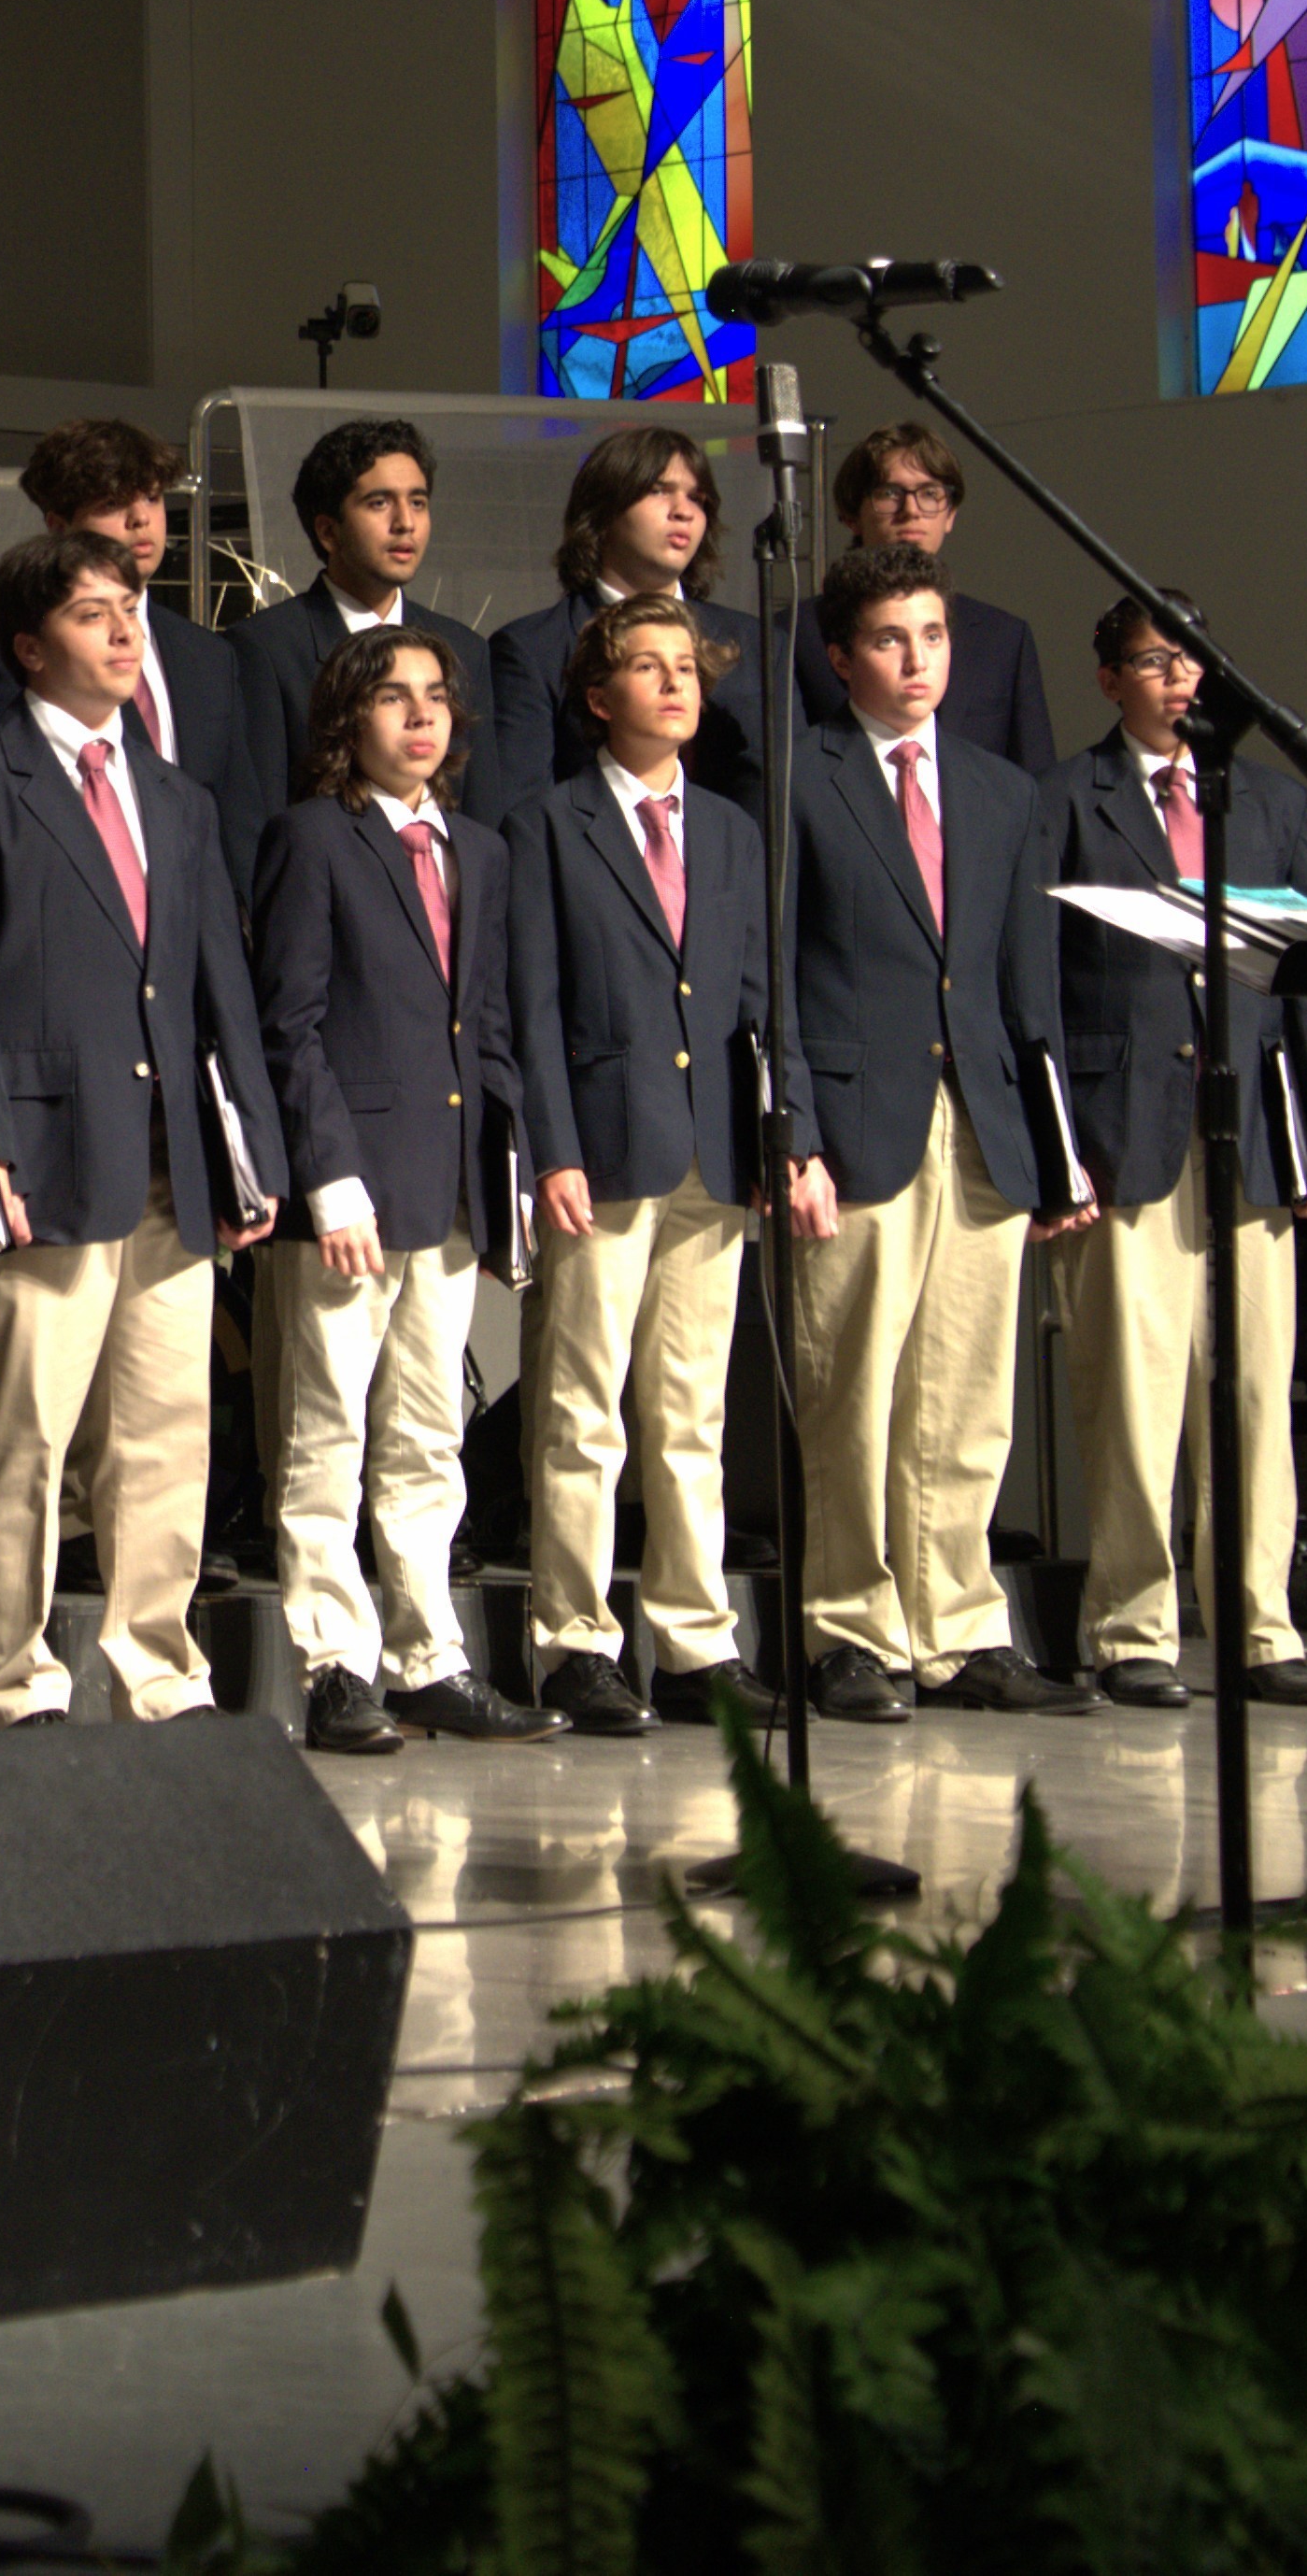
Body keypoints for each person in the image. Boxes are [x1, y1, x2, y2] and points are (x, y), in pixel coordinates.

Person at [0, 527, 278, 1725]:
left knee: (166, 1431)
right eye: (92, 613)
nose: (126, 630)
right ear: (29, 646)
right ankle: (14, 1675)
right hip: (43, 1155)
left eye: (130, 609)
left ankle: (158, 1667)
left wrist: (248, 1151)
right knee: (23, 1433)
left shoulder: (176, 795)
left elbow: (219, 984)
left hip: (172, 1160)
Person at [786, 541, 1090, 1725]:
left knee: (967, 1397)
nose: (918, 660)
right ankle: (850, 1629)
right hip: (858, 1118)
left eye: (933, 635)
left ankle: (958, 1628)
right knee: (852, 1390)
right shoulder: (800, 775)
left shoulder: (1002, 789)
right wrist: (794, 1131)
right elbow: (777, 975)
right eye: (889, 638)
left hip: (984, 1121)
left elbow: (1028, 987)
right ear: (840, 655)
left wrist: (1053, 1147)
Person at [1042, 595, 1307, 1712]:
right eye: (1154, 661)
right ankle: (1132, 1627)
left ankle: (1261, 1624)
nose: (1179, 680)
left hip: (1251, 1128)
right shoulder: (1063, 796)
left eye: (1194, 661)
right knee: (1133, 1392)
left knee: (1257, 1387)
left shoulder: (1271, 799)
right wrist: (1056, 1145)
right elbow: (1041, 977)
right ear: (1108, 678)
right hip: (1122, 1127)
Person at [248, 631, 549, 1751]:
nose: (420, 716)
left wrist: (509, 1174)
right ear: (346, 718)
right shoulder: (312, 836)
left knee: (429, 1432)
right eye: (391, 696)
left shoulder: (480, 847)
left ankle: (429, 1655)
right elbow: (290, 1025)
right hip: (353, 1191)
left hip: (452, 1183)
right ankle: (335, 1661)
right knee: (325, 1429)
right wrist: (328, 1178)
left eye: (434, 697)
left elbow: (492, 1028)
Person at [489, 596, 779, 1740]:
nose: (673, 684)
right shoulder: (547, 822)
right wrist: (551, 1145)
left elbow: (754, 998)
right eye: (647, 666)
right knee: (582, 1408)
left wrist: (775, 1135)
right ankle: (574, 1639)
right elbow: (532, 1003)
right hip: (602, 1147)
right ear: (597, 696)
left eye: (686, 668)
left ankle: (697, 1641)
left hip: (713, 1144)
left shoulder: (730, 829)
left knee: (691, 1412)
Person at [0, 417, 272, 901]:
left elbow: (241, 827)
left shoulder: (208, 655)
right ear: (59, 527)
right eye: (113, 503)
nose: (141, 519)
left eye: (153, 497)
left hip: (197, 920)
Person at [479, 424, 771, 822]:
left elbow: (781, 803)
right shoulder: (532, 649)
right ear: (603, 511)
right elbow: (523, 818)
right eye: (658, 490)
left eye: (697, 498)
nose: (683, 511)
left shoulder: (756, 642)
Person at [231, 417, 486, 810]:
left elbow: (482, 816)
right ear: (328, 532)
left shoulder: (465, 649)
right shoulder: (265, 649)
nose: (405, 523)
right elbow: (261, 815)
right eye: (379, 503)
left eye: (417, 502)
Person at [785, 425, 1054, 776]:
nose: (911, 510)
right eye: (889, 493)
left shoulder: (1004, 637)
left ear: (950, 514)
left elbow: (1035, 779)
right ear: (852, 515)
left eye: (930, 493)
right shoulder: (792, 634)